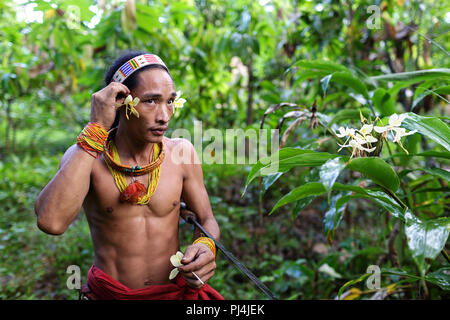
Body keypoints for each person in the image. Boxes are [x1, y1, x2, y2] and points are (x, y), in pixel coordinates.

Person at [34, 51, 224, 300]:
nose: (164, 116)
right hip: (111, 295)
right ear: (121, 101)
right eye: (150, 101)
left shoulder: (181, 153)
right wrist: (96, 129)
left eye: (169, 102)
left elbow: (207, 219)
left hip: (175, 293)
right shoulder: (88, 157)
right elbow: (52, 222)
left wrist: (205, 246)